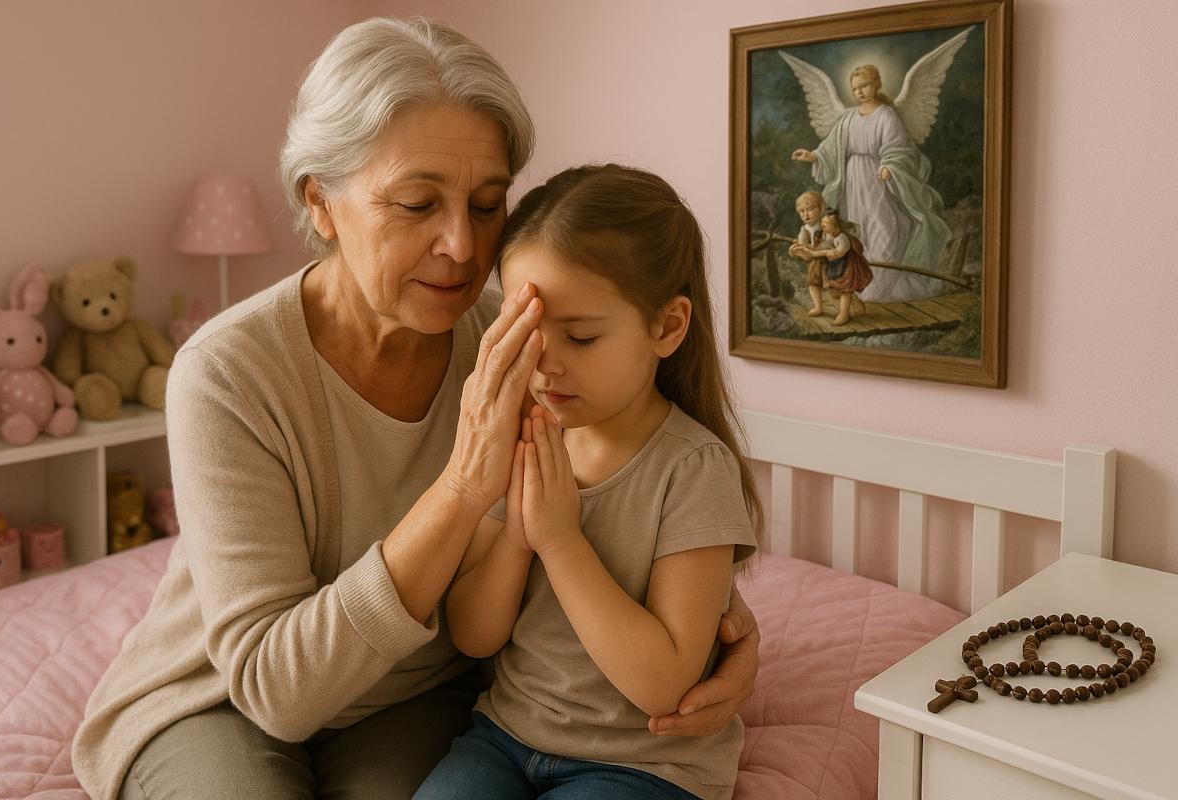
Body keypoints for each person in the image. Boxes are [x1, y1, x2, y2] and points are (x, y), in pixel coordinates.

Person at [71, 18, 760, 800]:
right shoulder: (226, 373)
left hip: (416, 695)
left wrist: (724, 632)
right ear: (321, 201)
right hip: (226, 699)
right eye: (416, 203)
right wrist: (464, 486)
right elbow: (277, 691)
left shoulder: (529, 342)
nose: (462, 246)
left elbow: (632, 495)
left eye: (488, 205)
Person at [413, 165, 762, 800]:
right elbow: (475, 636)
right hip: (506, 736)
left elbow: (664, 686)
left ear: (666, 327)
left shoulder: (692, 469)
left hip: (641, 762)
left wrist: (560, 541)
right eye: (527, 335)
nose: (544, 365)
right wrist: (517, 538)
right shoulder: (524, 437)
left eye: (579, 337)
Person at [791, 64, 951, 302]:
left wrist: (889, 165)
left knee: (883, 231)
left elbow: (898, 148)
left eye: (864, 86)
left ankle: (880, 290)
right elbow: (831, 147)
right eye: (855, 88)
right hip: (852, 184)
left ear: (876, 84)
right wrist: (813, 156)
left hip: (879, 183)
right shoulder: (848, 117)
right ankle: (854, 287)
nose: (859, 92)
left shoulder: (887, 115)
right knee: (857, 232)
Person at [803, 208, 873, 326]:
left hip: (847, 266)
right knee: (822, 284)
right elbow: (820, 247)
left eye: (826, 224)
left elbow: (835, 254)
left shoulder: (843, 239)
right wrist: (806, 249)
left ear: (836, 226)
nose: (822, 225)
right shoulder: (825, 234)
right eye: (822, 223)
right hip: (832, 265)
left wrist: (815, 253)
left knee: (845, 289)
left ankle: (844, 314)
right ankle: (818, 307)